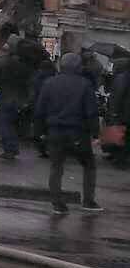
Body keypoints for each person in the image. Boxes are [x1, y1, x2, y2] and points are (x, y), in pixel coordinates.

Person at [35, 52, 102, 215]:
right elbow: (91, 111)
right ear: (79, 67)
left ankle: (57, 203)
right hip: (78, 132)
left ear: (61, 66)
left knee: (56, 167)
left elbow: (40, 109)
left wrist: (40, 132)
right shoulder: (85, 84)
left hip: (55, 131)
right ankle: (88, 201)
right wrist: (95, 133)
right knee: (89, 166)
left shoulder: (49, 83)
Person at [0, 34, 36, 162]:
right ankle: (13, 147)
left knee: (4, 124)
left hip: (4, 99)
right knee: (12, 125)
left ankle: (10, 149)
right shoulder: (23, 65)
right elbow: (29, 83)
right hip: (20, 100)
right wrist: (27, 100)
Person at [104, 47, 130, 171]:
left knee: (119, 133)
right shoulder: (123, 78)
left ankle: (116, 156)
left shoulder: (122, 78)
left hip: (121, 112)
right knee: (122, 135)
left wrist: (113, 112)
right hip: (123, 112)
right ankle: (119, 159)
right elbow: (118, 95)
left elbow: (117, 95)